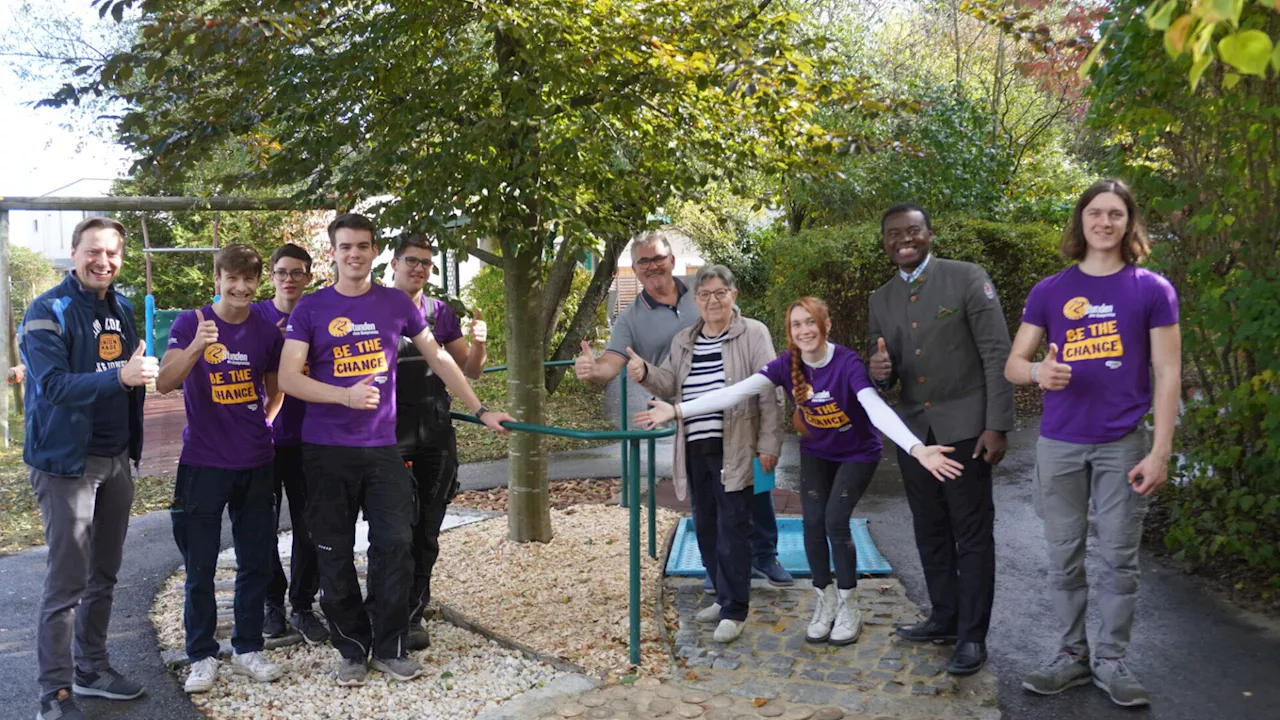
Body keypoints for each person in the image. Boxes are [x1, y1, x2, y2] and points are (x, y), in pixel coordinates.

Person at [635, 297, 963, 647]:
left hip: (857, 454)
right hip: (817, 453)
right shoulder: (787, 364)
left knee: (835, 522)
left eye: (810, 322)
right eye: (796, 325)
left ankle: (849, 605)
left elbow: (874, 407)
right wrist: (678, 411)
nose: (804, 330)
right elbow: (733, 393)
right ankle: (825, 602)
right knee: (812, 522)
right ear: (789, 332)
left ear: (826, 325)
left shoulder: (847, 363)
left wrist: (915, 448)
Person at [278, 213, 513, 686]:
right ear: (333, 252)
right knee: (334, 551)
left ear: (373, 251)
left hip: (383, 450)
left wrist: (482, 408)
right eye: (345, 246)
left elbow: (442, 358)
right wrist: (344, 395)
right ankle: (350, 647)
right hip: (326, 451)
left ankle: (389, 644)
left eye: (362, 246)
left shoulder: (394, 305)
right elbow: (288, 378)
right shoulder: (311, 309)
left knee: (397, 545)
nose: (354, 254)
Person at [1006, 179, 1180, 708]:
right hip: (1059, 444)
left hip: (1123, 444)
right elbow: (1014, 365)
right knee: (1064, 556)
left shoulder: (1152, 289)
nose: (1104, 223)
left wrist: (1160, 450)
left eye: (1115, 214)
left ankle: (1111, 658)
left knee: (1119, 557)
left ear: (1130, 224)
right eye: (1095, 213)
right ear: (1080, 222)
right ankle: (1070, 655)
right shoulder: (1050, 290)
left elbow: (1168, 372)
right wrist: (1039, 372)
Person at [575, 231, 794, 589]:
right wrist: (593, 370)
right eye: (643, 261)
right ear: (635, 268)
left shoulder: (702, 288)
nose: (652, 266)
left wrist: (769, 436)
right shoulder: (631, 319)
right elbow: (613, 364)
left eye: (658, 257)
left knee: (757, 489)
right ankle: (720, 572)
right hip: (694, 420)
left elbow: (745, 337)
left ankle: (765, 557)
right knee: (708, 502)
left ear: (672, 260)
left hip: (743, 416)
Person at [867, 202, 1014, 676]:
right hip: (914, 436)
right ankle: (945, 617)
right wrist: (879, 373)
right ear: (885, 241)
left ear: (929, 234)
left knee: (970, 533)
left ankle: (972, 636)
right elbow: (884, 369)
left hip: (967, 429)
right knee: (928, 529)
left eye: (912, 231)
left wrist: (997, 424)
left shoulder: (968, 277)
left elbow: (997, 353)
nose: (903, 240)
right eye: (893, 234)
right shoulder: (881, 298)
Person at [20, 217, 155, 720]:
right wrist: (121, 376)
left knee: (105, 574)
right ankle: (53, 695)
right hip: (66, 465)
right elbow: (53, 385)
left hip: (116, 459)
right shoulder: (46, 311)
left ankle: (92, 669)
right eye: (94, 251)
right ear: (75, 252)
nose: (104, 261)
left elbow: (128, 376)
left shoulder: (121, 308)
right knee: (67, 583)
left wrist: (138, 376)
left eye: (113, 254)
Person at [622, 265, 781, 643]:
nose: (712, 301)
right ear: (696, 301)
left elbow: (772, 391)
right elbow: (670, 383)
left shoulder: (754, 333)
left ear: (733, 295)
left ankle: (736, 609)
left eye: (719, 293)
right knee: (706, 525)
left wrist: (770, 444)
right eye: (705, 295)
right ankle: (725, 597)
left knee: (733, 527)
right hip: (694, 445)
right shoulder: (685, 340)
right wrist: (644, 370)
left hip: (737, 443)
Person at [157, 244, 286, 693]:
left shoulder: (267, 330)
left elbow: (276, 390)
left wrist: (262, 425)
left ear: (257, 282)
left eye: (249, 279)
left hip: (255, 463)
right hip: (203, 464)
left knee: (255, 562)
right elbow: (165, 382)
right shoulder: (190, 323)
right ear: (217, 279)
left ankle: (249, 646)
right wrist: (197, 346)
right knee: (200, 567)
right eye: (232, 278)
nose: (241, 287)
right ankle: (201, 655)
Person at [385, 233, 487, 651]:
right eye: (411, 260)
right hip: (386, 433)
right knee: (393, 529)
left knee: (427, 529)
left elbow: (470, 370)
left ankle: (412, 613)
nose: (419, 268)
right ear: (392, 263)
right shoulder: (373, 306)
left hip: (435, 429)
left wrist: (479, 343)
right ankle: (384, 608)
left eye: (426, 262)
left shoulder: (439, 312)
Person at [252, 244, 329, 646]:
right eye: (282, 271)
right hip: (262, 437)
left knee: (309, 525)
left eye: (297, 272)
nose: (289, 279)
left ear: (308, 276)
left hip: (310, 436)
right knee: (261, 526)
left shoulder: (320, 313)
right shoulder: (256, 315)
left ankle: (302, 603)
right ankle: (271, 603)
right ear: (272, 275)